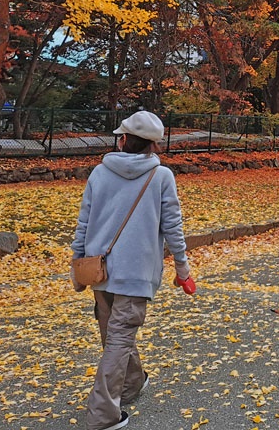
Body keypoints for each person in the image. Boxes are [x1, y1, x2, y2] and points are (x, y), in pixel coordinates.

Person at [71, 110, 195, 430]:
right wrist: (182, 269)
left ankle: (131, 383)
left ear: (124, 140)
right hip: (136, 273)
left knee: (115, 335)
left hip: (99, 270)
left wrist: (77, 264)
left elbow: (83, 223)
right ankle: (103, 414)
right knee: (119, 338)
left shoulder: (100, 172)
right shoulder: (161, 176)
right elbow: (173, 228)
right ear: (152, 146)